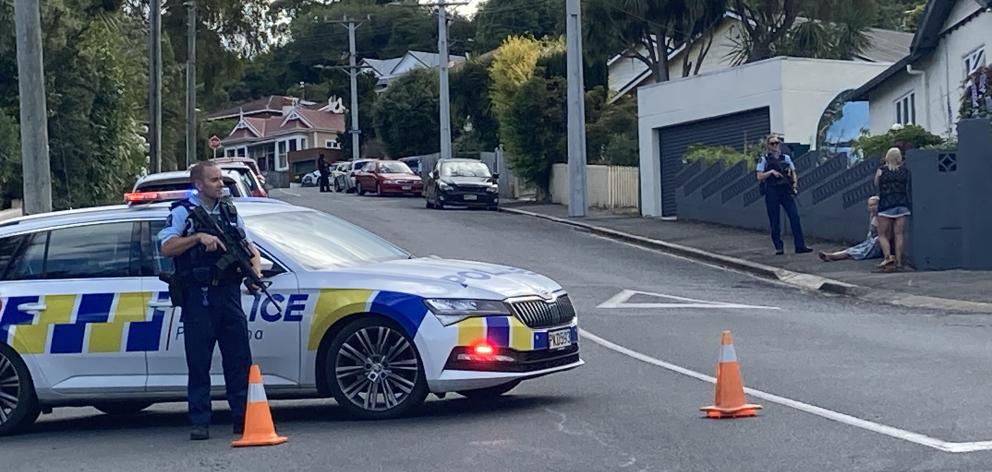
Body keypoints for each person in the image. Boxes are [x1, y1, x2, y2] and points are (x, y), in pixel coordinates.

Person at [158, 161, 261, 441]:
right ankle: (200, 421)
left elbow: (250, 249)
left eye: (222, 180)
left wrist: (255, 274)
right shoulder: (183, 213)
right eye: (215, 180)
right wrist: (197, 238)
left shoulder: (230, 211)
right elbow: (167, 247)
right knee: (199, 362)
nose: (221, 184)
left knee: (239, 360)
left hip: (228, 294)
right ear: (199, 185)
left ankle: (243, 418)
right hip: (198, 296)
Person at [756, 135, 812, 255]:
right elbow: (759, 176)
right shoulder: (764, 159)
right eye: (772, 143)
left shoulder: (785, 158)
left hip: (785, 190)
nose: (775, 145)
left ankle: (800, 245)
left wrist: (795, 186)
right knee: (774, 220)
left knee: (794, 217)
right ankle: (779, 247)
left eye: (777, 143)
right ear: (768, 145)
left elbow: (793, 173)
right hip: (772, 191)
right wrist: (771, 172)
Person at [874, 147, 912, 271]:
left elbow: (876, 184)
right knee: (899, 234)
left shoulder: (881, 171)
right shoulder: (905, 171)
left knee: (882, 234)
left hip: (886, 205)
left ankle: (888, 257)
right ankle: (899, 262)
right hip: (902, 205)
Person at [818, 196, 882, 262]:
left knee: (857, 252)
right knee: (853, 250)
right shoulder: (872, 215)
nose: (872, 207)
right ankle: (831, 256)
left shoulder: (882, 217)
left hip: (876, 244)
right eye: (870, 205)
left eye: (874, 205)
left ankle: (832, 256)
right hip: (870, 242)